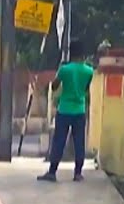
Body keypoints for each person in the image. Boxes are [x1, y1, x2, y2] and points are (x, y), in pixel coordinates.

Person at [37, 39, 96, 182]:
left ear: (71, 53)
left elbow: (54, 86)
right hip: (80, 110)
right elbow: (86, 89)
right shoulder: (89, 71)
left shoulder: (65, 69)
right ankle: (78, 173)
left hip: (64, 110)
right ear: (83, 54)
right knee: (79, 142)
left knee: (59, 141)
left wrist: (59, 73)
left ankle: (52, 172)